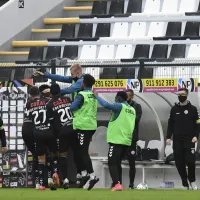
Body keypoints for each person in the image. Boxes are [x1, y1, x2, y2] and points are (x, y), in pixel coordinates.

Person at [94, 91, 136, 191]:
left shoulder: (120, 106)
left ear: (119, 98)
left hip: (117, 139)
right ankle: (118, 184)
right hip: (126, 141)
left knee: (112, 162)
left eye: (116, 97)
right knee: (117, 163)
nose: (115, 99)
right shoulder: (132, 109)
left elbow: (105, 105)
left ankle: (117, 184)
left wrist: (97, 97)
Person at [46, 83, 81, 189]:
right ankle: (80, 175)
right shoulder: (67, 99)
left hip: (62, 132)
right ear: (60, 91)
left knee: (62, 155)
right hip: (73, 128)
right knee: (77, 152)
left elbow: (51, 122)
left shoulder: (50, 104)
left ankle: (65, 179)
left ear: (51, 93)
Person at [166, 88, 200, 190]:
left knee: (190, 161)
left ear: (187, 95)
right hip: (177, 140)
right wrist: (168, 137)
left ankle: (192, 181)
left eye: (183, 94)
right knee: (179, 163)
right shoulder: (174, 109)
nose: (181, 96)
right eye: (179, 94)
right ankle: (185, 183)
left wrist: (195, 136)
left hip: (189, 140)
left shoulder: (193, 109)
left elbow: (198, 124)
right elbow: (170, 124)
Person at [26, 86, 58, 190]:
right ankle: (52, 176)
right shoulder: (47, 101)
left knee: (40, 158)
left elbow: (29, 119)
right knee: (51, 154)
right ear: (39, 93)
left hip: (38, 133)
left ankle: (40, 184)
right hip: (49, 131)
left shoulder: (29, 104)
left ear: (31, 95)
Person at [70, 74, 99, 190]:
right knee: (79, 150)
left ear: (83, 83)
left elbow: (72, 107)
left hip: (83, 126)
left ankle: (92, 176)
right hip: (90, 125)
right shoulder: (93, 94)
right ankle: (84, 174)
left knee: (83, 152)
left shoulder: (82, 95)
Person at [126, 89, 142, 189]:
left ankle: (131, 184)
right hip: (120, 137)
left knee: (132, 162)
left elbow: (136, 120)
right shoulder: (120, 105)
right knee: (118, 160)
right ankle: (117, 183)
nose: (126, 98)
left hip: (132, 137)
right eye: (125, 96)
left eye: (128, 96)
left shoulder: (137, 106)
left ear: (132, 97)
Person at [22, 97, 39, 189]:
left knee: (35, 155)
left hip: (25, 131)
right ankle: (37, 180)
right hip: (34, 131)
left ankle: (34, 180)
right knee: (38, 155)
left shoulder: (27, 104)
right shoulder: (38, 104)